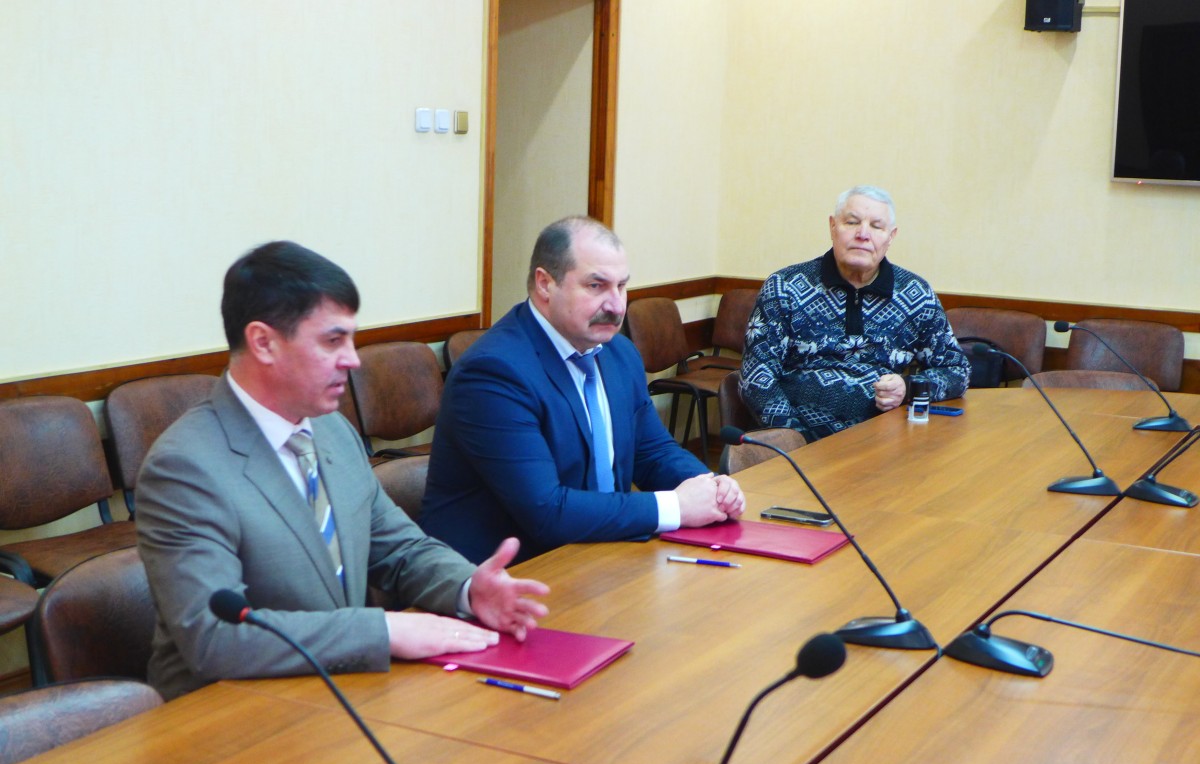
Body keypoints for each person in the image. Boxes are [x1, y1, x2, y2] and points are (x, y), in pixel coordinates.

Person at [136, 241, 548, 701]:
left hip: (337, 691)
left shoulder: (330, 430)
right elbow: (215, 638)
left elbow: (399, 549)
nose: (353, 359)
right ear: (264, 342)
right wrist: (383, 631)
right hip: (226, 711)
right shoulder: (185, 467)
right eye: (332, 341)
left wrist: (469, 588)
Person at [421, 216, 745, 565]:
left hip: (597, 556)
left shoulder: (619, 353)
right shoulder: (493, 373)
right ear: (545, 284)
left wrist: (708, 486)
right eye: (596, 286)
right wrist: (675, 507)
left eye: (621, 286)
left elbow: (652, 452)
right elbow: (547, 511)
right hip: (509, 574)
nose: (616, 306)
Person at [741, 185, 969, 442]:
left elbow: (957, 371)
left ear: (891, 236)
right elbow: (756, 380)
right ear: (832, 227)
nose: (863, 234)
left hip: (886, 444)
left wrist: (906, 388)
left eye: (876, 226)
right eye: (852, 222)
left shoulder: (916, 294)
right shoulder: (784, 287)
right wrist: (794, 439)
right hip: (800, 444)